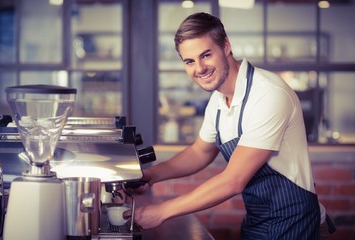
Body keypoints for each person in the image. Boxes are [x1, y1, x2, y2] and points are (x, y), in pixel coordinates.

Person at [131, 12, 335, 239]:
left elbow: (234, 180)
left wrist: (162, 211)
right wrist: (151, 175)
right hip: (259, 222)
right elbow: (200, 152)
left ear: (226, 46)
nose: (199, 68)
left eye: (206, 55)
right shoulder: (218, 100)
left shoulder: (267, 94)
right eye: (189, 61)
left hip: (298, 224)